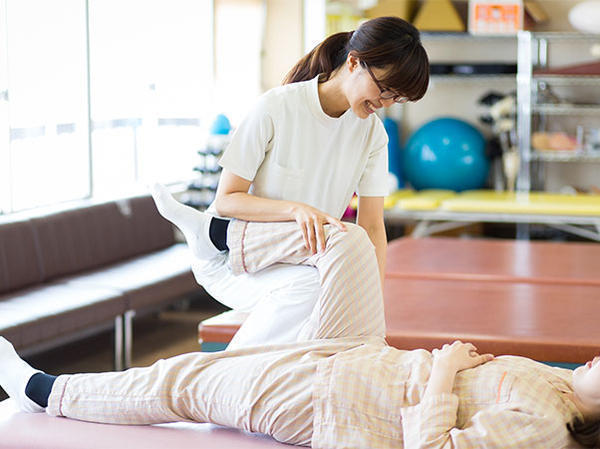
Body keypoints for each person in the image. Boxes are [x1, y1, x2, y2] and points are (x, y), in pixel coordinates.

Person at [1, 218, 599, 449]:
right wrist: (467, 361)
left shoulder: (544, 427)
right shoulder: (562, 384)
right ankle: (221, 240)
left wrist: (445, 370)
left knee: (183, 380)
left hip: (332, 399)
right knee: (346, 244)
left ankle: (42, 389)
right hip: (366, 353)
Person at [166, 15, 429, 349]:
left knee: (331, 290)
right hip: (234, 259)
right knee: (315, 283)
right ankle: (219, 376)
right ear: (353, 62)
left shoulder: (371, 134)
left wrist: (372, 315)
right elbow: (228, 200)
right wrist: (295, 210)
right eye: (385, 89)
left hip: (303, 262)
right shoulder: (275, 107)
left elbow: (373, 228)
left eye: (398, 98)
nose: (387, 103)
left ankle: (242, 381)